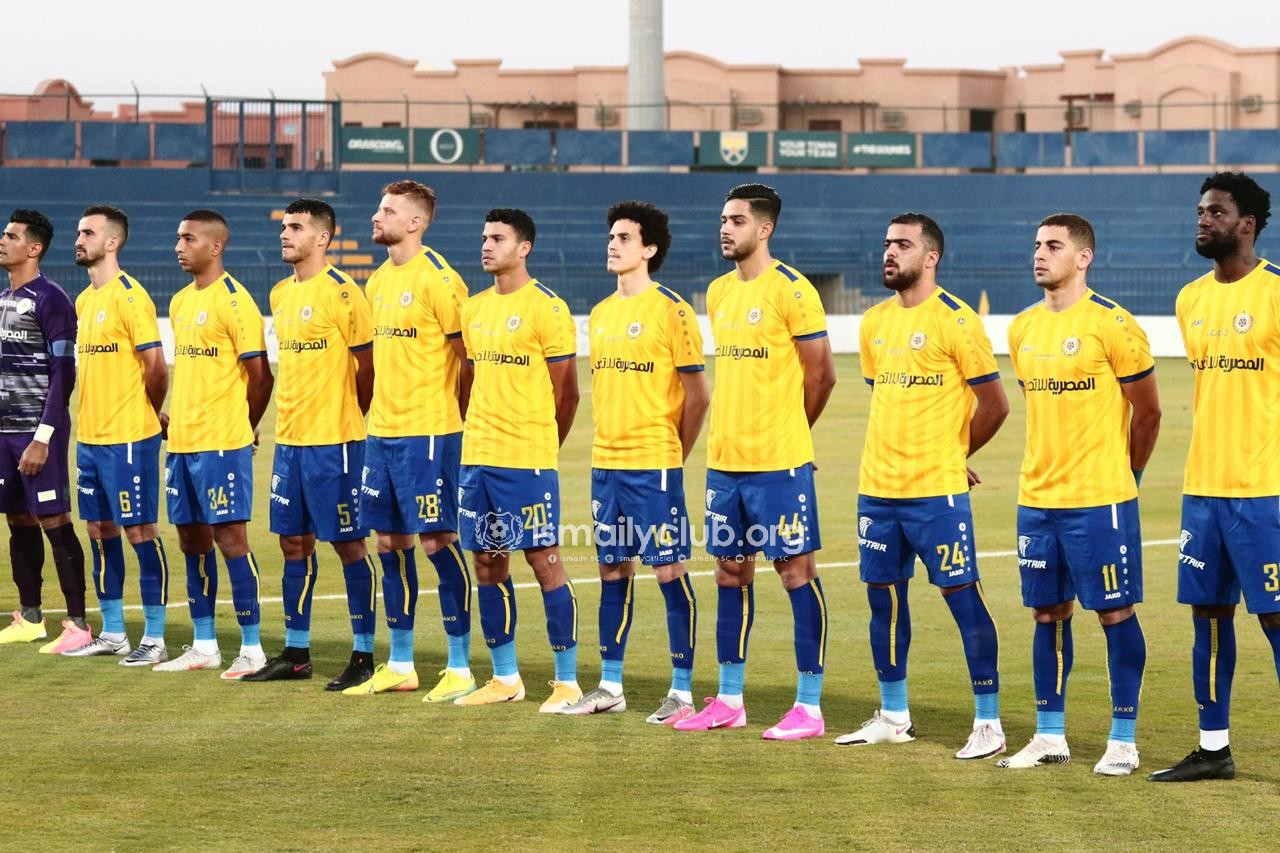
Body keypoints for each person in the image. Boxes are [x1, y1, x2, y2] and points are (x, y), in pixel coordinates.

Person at [839, 212, 1008, 759]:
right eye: (887, 243)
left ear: (930, 257)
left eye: (903, 245)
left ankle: (988, 722)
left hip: (935, 493)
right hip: (877, 490)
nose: (890, 252)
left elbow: (995, 405)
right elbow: (886, 396)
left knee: (962, 598)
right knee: (883, 602)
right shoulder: (873, 322)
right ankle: (893, 715)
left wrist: (954, 453)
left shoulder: (956, 320)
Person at [998, 213, 1160, 776]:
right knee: (1047, 613)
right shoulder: (1021, 329)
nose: (1040, 254)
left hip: (1100, 499)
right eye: (1037, 244)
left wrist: (1126, 476)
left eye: (1054, 246)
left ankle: (1123, 739)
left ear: (1084, 257)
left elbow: (1148, 412)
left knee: (1114, 612)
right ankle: (1049, 735)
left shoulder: (1113, 324)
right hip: (1037, 500)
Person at [674, 183, 836, 740]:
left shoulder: (793, 290)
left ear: (764, 229)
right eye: (723, 219)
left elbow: (822, 376)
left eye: (737, 220)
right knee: (729, 572)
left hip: (778, 464)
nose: (725, 228)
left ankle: (809, 707)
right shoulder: (718, 292)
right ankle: (729, 699)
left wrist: (792, 434)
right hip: (725, 463)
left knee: (795, 572)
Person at [1150, 172, 1280, 782]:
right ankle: (1213, 749)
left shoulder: (1276, 292)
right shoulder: (1191, 299)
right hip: (1202, 491)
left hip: (1264, 491)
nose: (1203, 220)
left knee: (1276, 620)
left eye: (1216, 212)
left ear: (1246, 224)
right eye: (1200, 211)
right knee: (1208, 617)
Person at [562, 200, 709, 723]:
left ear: (649, 249)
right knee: (611, 570)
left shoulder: (672, 310)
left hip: (654, 466)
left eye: (624, 237)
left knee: (669, 570)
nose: (612, 244)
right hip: (606, 466)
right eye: (611, 236)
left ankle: (682, 691)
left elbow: (698, 398)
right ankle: (610, 686)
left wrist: (671, 455)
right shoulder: (601, 314)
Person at [343, 180, 476, 700]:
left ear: (416, 222)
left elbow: (468, 361)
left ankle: (460, 666)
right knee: (389, 543)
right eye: (379, 208)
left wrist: (454, 421)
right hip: (382, 434)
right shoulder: (377, 281)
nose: (377, 217)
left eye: (388, 210)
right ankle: (401, 663)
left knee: (438, 542)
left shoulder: (440, 280)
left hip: (430, 434)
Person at [243, 198, 377, 689]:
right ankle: (296, 653)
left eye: (296, 227)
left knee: (347, 544)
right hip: (290, 442)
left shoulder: (344, 292)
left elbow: (368, 369)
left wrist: (345, 418)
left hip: (335, 443)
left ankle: (363, 655)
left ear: (322, 237)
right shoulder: (280, 293)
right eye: (284, 226)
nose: (285, 234)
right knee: (292, 542)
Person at [454, 208, 583, 713]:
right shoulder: (473, 308)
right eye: (484, 237)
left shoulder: (547, 307)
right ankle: (505, 677)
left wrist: (543, 446)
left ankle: (567, 682)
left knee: (544, 560)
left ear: (523, 247)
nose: (486, 245)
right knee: (487, 562)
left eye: (498, 238)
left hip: (526, 460)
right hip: (477, 459)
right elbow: (467, 383)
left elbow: (566, 394)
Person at [152, 210, 274, 678]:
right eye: (178, 238)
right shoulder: (181, 302)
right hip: (182, 444)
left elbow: (261, 378)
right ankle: (204, 644)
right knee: (190, 539)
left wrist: (243, 426)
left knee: (231, 538)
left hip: (222, 443)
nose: (178, 247)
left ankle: (252, 647)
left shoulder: (235, 301)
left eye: (188, 239)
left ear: (215, 246)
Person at [62, 205, 171, 665]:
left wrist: (149, 413)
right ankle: (113, 632)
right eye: (78, 232)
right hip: (90, 438)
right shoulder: (85, 301)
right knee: (99, 529)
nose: (78, 239)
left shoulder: (131, 297)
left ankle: (156, 637)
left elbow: (156, 368)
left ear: (111, 242)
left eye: (88, 233)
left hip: (128, 437)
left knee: (139, 530)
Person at [0, 209, 89, 654]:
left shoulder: (51, 298)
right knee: (18, 520)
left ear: (34, 248)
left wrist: (43, 436)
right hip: (4, 434)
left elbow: (63, 372)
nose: (3, 241)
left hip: (37, 434)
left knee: (54, 520)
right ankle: (31, 618)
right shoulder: (3, 299)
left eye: (12, 236)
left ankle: (78, 624)